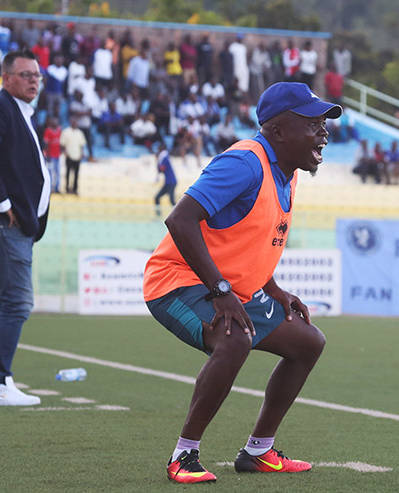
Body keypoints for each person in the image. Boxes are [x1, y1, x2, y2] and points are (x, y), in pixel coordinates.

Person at [143, 82, 340, 484]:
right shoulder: (245, 162)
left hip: (229, 289)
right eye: (313, 123)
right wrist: (220, 291)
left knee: (308, 342)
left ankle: (259, 452)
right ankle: (184, 455)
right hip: (174, 285)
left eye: (323, 123)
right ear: (279, 131)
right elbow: (180, 219)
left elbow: (243, 240)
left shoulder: (287, 170)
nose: (323, 132)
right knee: (234, 338)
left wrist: (274, 289)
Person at [0, 49, 50, 407]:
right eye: (26, 74)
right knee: (17, 301)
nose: (34, 80)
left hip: (12, 225)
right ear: (6, 78)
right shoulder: (0, 107)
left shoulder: (20, 113)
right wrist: (3, 203)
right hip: (3, 222)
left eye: (37, 75)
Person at [60, 115, 87, 195]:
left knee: (76, 174)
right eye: (73, 122)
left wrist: (82, 153)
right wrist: (65, 153)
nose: (75, 123)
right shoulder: (66, 132)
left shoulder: (80, 133)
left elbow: (82, 144)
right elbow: (62, 144)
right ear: (71, 122)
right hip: (69, 155)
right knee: (68, 173)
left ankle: (75, 189)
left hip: (77, 156)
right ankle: (67, 189)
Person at [154, 141, 177, 217]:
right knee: (158, 198)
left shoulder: (164, 157)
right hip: (169, 182)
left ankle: (179, 215)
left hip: (170, 182)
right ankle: (158, 215)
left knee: (171, 200)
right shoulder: (165, 156)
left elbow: (161, 169)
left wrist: (157, 161)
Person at [43, 117, 63, 193]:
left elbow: (61, 142)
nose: (55, 123)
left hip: (57, 155)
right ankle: (50, 187)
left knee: (57, 172)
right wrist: (47, 155)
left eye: (56, 122)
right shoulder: (48, 131)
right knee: (50, 172)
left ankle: (57, 187)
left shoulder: (59, 130)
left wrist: (61, 151)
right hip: (50, 155)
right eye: (54, 122)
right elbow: (46, 143)